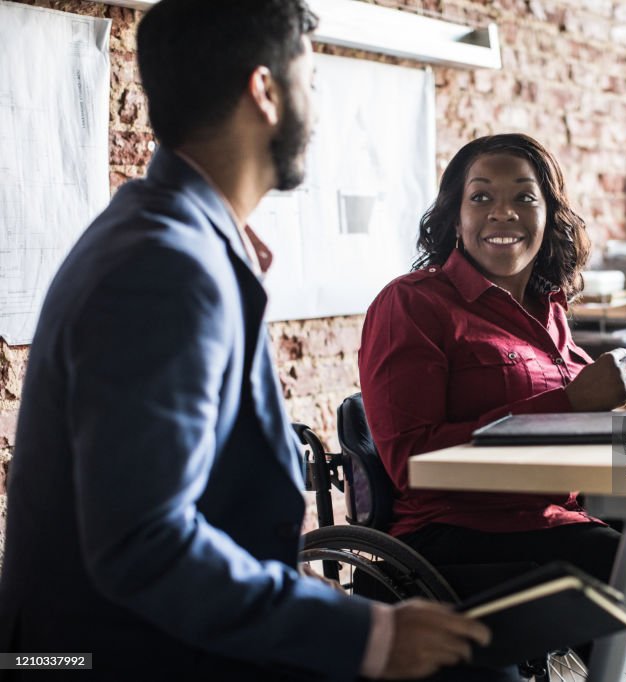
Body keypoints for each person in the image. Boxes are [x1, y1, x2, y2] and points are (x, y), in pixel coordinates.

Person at [0, 1, 495, 679]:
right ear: (265, 91)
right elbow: (142, 544)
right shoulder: (165, 266)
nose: (315, 112)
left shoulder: (170, 235)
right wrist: (365, 636)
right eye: (310, 85)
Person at [359, 133, 626, 681]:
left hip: (563, 513)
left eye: (524, 197)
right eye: (481, 197)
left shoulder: (549, 312)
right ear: (455, 217)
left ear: (549, 213)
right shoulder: (412, 303)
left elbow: (573, 427)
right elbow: (412, 460)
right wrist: (573, 399)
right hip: (459, 537)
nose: (502, 213)